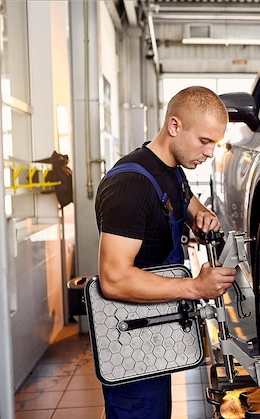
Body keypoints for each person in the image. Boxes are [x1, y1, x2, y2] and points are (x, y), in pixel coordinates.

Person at [94, 86, 237, 419]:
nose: (209, 153)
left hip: (157, 329)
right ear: (175, 126)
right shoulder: (130, 186)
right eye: (204, 141)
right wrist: (195, 288)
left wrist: (201, 215)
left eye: (215, 144)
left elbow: (187, 202)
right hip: (130, 340)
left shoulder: (171, 170)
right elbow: (114, 279)